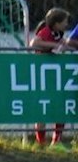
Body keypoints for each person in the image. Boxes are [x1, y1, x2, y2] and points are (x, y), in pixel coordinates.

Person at [28, 9, 73, 146]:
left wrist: (66, 47)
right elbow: (34, 44)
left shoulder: (59, 33)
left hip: (56, 76)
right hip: (42, 76)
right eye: (64, 21)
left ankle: (56, 141)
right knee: (42, 110)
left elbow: (63, 44)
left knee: (60, 107)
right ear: (56, 23)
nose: (66, 24)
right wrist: (55, 45)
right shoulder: (46, 31)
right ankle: (40, 142)